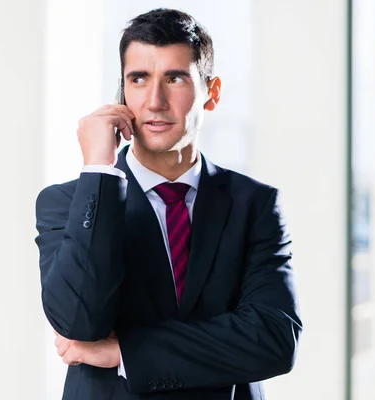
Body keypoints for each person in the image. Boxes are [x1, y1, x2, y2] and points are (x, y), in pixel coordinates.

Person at [34, 8, 302, 400]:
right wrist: (98, 170)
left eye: (175, 78)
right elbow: (78, 322)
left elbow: (275, 339)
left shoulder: (253, 204)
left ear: (212, 92)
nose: (155, 101)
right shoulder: (69, 202)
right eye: (139, 79)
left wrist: (125, 351)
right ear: (122, 92)